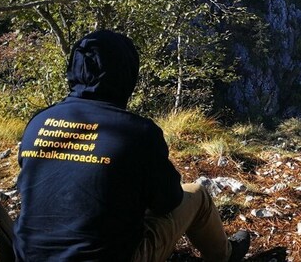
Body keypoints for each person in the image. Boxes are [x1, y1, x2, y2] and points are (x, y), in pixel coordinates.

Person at [14, 30, 250, 262]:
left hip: (29, 256)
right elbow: (169, 201)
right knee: (197, 194)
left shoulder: (38, 122)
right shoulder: (138, 132)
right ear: (126, 74)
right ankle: (227, 255)